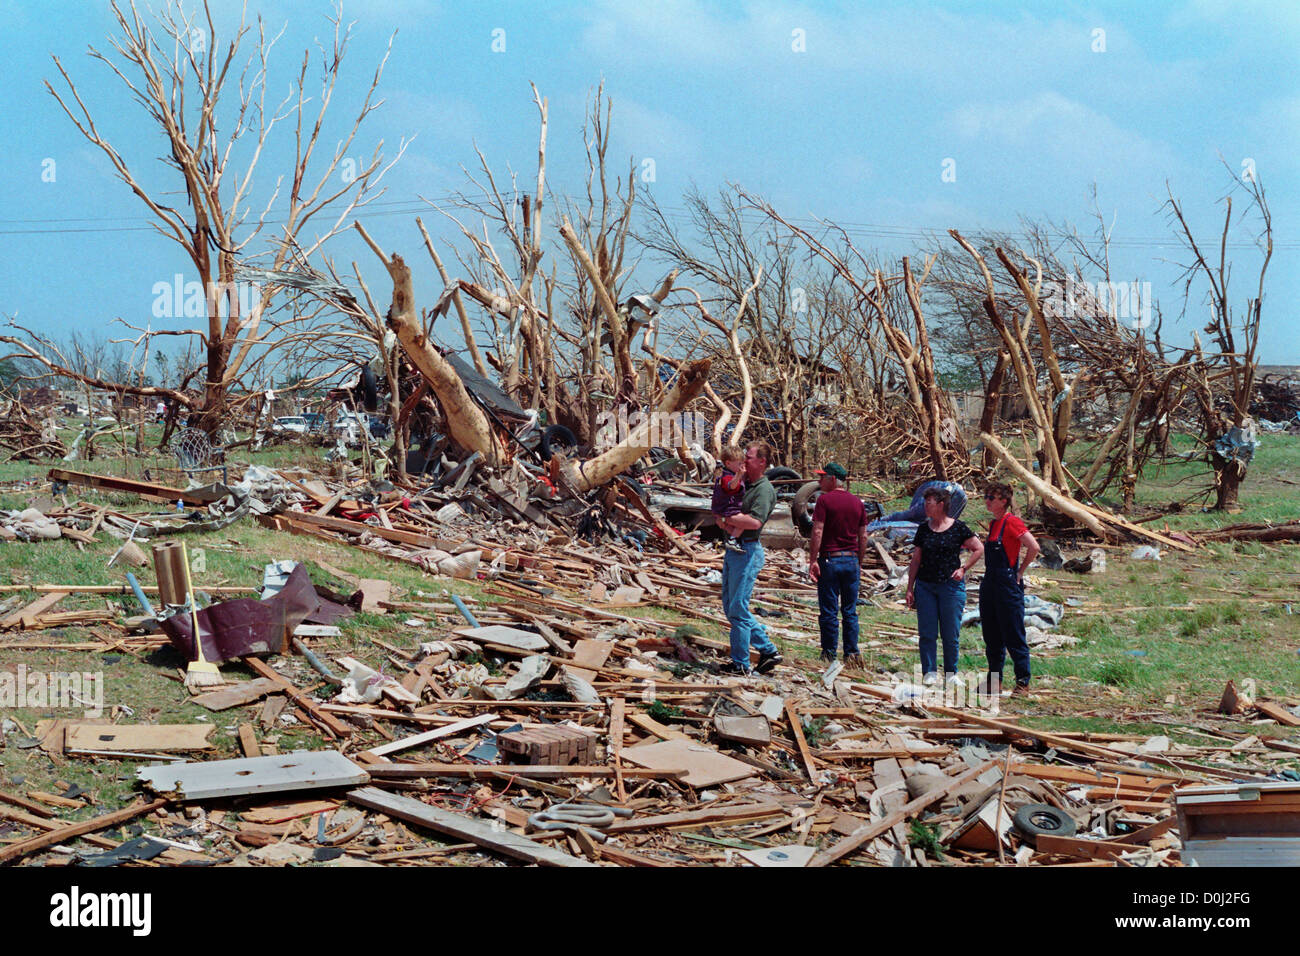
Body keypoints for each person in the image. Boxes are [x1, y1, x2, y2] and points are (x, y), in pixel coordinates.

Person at [715, 442, 783, 676]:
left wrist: (727, 520)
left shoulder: (764, 490)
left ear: (762, 462)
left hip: (747, 550)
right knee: (730, 607)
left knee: (738, 608)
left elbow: (754, 522)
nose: (744, 460)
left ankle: (742, 662)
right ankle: (766, 651)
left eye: (750, 457)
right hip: (735, 550)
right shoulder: (744, 483)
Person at [905, 486, 983, 685]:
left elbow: (978, 548)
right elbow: (916, 560)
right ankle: (929, 672)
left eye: (929, 502)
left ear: (941, 505)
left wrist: (964, 569)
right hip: (926, 586)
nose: (925, 506)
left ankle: (951, 673)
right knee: (927, 632)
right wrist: (909, 588)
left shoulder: (958, 528)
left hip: (950, 587)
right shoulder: (924, 529)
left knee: (950, 633)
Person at [979, 482, 1040, 698]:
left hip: (1007, 583)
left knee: (1013, 634)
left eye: (991, 497)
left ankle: (1023, 682)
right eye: (986, 496)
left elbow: (1033, 546)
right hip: (990, 582)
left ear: (1003, 501)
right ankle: (994, 682)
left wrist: (1020, 571)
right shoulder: (994, 524)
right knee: (991, 634)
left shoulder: (1012, 522)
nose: (987, 500)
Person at [807, 462, 868, 669]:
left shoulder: (824, 501)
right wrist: (858, 561)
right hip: (850, 559)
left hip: (830, 560)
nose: (818, 481)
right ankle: (851, 653)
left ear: (833, 479)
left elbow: (817, 532)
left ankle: (829, 653)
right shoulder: (858, 503)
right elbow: (864, 536)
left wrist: (813, 560)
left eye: (822, 477)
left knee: (829, 610)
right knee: (850, 610)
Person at [711, 445, 747, 553]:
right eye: (739, 464)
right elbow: (731, 486)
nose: (741, 466)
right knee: (745, 521)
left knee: (731, 528)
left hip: (723, 510)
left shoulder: (728, 475)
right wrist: (739, 475)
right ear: (728, 463)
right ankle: (732, 540)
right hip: (728, 509)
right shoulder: (727, 477)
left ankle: (733, 541)